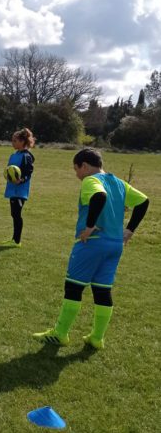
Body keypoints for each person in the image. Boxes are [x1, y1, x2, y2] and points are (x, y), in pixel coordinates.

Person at [33, 148, 149, 349]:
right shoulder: (119, 183)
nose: (77, 175)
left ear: (84, 166)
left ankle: (60, 334)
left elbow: (99, 196)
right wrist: (129, 230)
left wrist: (89, 227)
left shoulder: (90, 181)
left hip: (92, 243)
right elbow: (143, 201)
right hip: (115, 245)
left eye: (76, 169)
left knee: (74, 287)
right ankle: (97, 338)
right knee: (102, 290)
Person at [3, 128, 36, 247]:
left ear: (22, 142)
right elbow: (10, 170)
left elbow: (28, 172)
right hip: (13, 188)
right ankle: (14, 239)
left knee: (16, 214)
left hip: (20, 190)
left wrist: (21, 180)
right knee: (14, 214)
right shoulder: (14, 155)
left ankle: (17, 241)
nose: (12, 143)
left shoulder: (26, 156)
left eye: (15, 141)